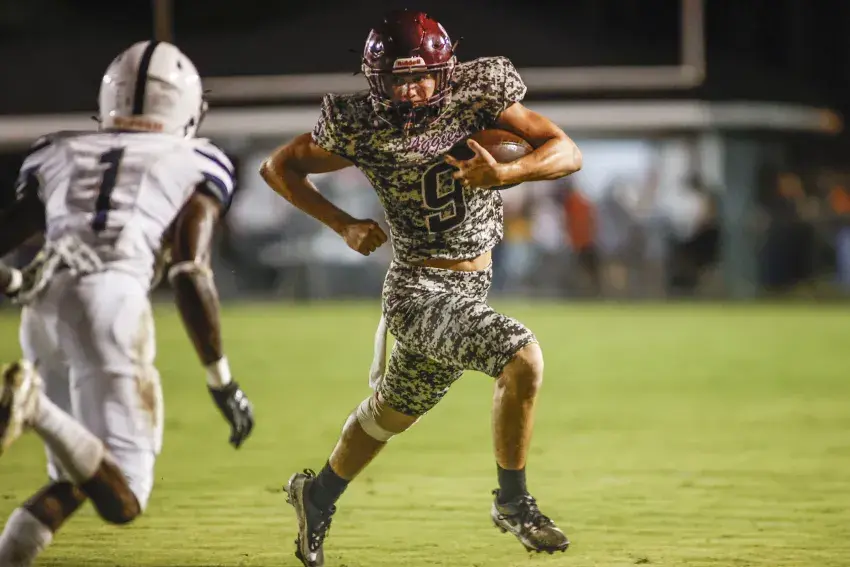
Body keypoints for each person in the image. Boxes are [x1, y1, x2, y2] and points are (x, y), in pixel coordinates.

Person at [260, 9, 582, 566]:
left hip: (471, 289)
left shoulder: (479, 95)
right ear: (375, 80)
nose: (410, 91)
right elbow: (278, 167)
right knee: (522, 356)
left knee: (390, 415)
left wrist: (505, 174)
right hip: (417, 289)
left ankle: (316, 496)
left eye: (421, 77)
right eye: (397, 80)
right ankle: (513, 502)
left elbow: (567, 152)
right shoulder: (361, 123)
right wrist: (342, 223)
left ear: (445, 69)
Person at [0, 40, 254, 567]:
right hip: (110, 301)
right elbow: (189, 271)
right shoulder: (197, 158)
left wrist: (12, 278)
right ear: (187, 107)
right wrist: (221, 380)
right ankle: (35, 407)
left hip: (43, 303)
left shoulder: (58, 149)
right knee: (125, 496)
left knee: (78, 474)